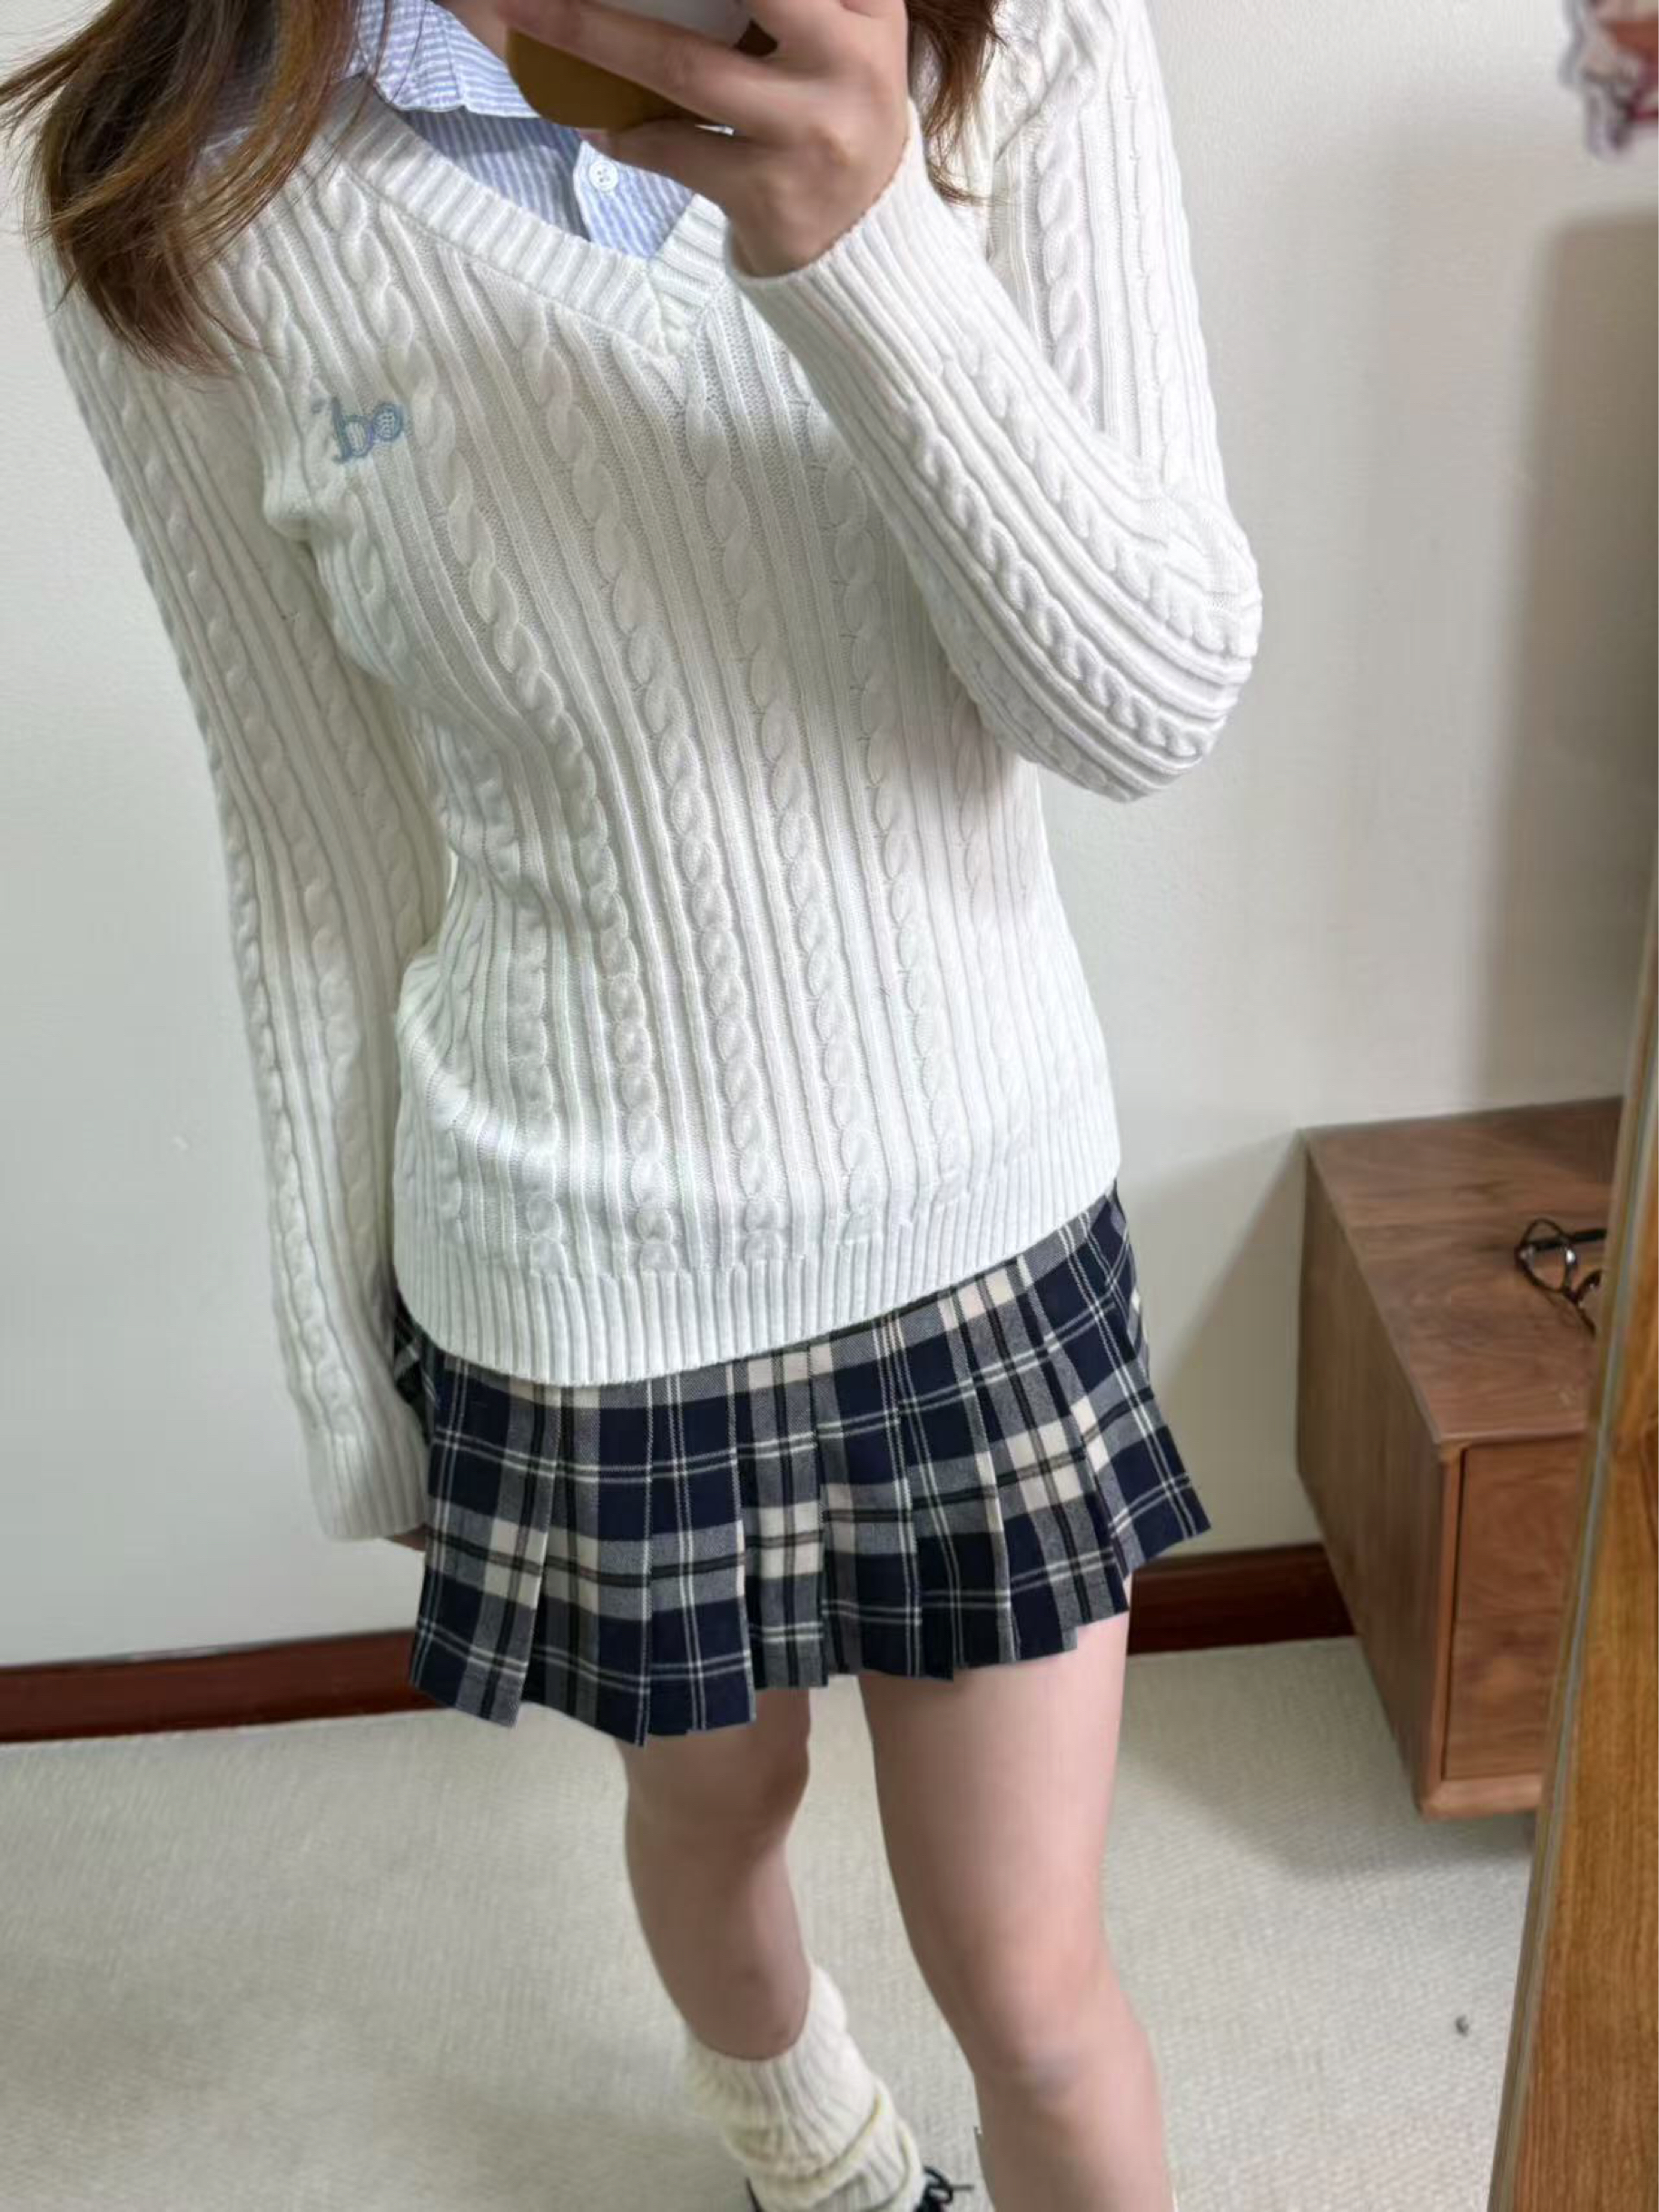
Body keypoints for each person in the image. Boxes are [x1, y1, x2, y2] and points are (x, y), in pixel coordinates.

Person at [2, 0, 1259, 2197]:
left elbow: (1139, 705)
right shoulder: (167, 182)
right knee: (712, 1806)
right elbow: (317, 852)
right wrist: (352, 1378)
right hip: (580, 1273)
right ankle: (799, 2131)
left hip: (979, 1217)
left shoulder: (1013, 32)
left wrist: (856, 238)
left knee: (1038, 1998)